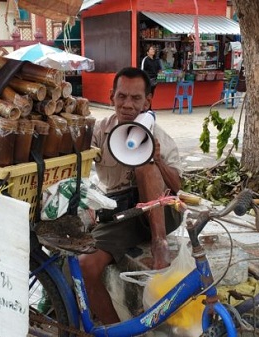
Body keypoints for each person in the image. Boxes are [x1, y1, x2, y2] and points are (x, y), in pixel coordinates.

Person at [79, 67, 183, 324]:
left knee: (145, 163)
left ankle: (159, 242)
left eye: (136, 99)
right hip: (123, 214)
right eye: (121, 96)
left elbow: (178, 188)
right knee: (85, 266)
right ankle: (115, 328)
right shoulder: (100, 132)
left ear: (148, 101)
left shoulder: (158, 136)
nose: (127, 104)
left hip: (161, 211)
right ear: (111, 96)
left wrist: (157, 160)